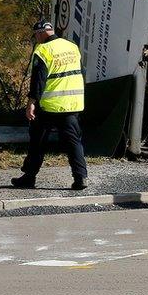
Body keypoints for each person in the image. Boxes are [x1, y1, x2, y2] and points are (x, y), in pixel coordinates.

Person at [12, 21, 88, 190]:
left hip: (50, 105)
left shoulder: (42, 50)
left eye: (36, 35)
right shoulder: (71, 46)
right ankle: (81, 178)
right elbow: (81, 72)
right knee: (74, 142)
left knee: (38, 142)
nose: (36, 39)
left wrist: (31, 102)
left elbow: (38, 80)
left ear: (40, 33)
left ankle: (29, 177)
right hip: (72, 103)